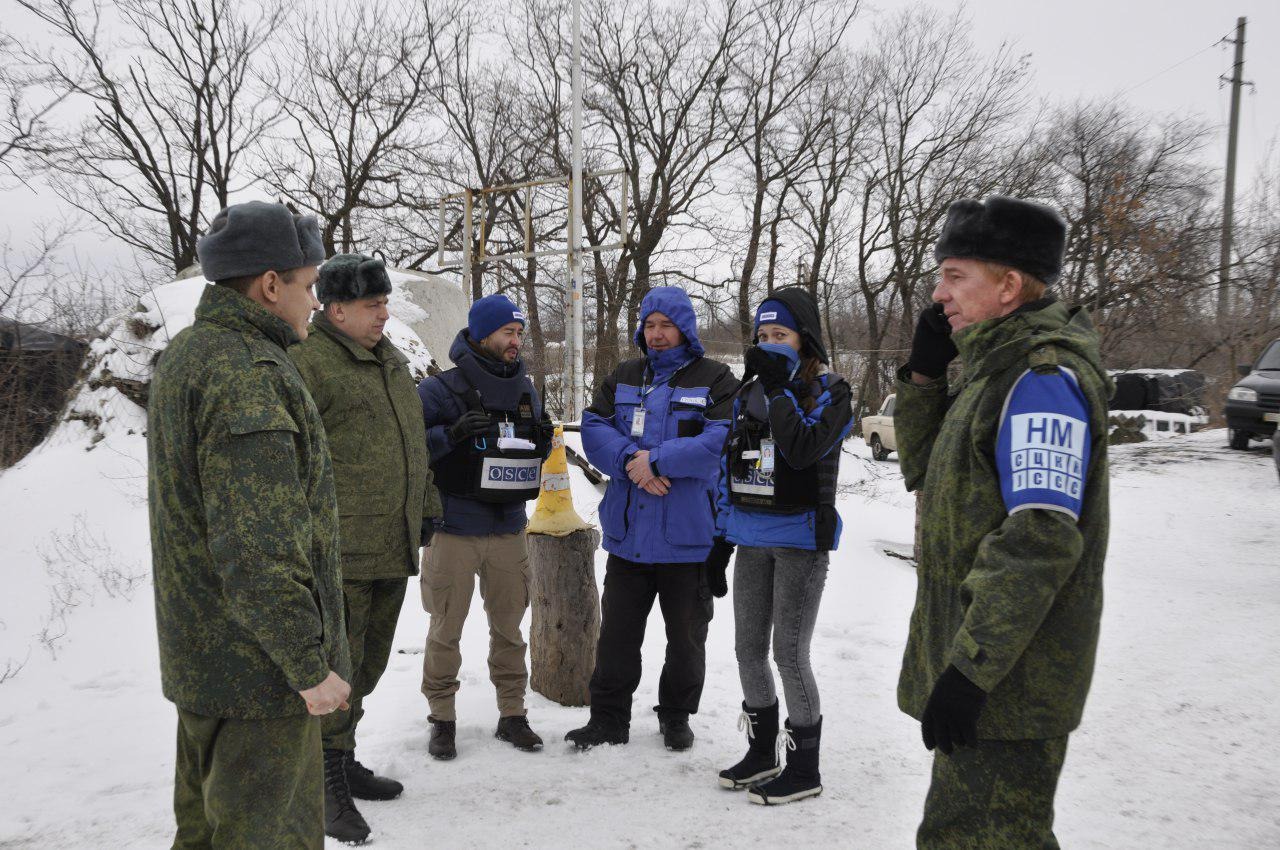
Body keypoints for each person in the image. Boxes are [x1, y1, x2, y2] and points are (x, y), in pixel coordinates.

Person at [894, 196, 1111, 849]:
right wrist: (927, 376)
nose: (939, 293)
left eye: (955, 276)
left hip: (1009, 682)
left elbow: (1039, 538)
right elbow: (927, 474)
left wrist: (970, 670)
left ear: (1009, 285)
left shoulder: (1042, 381)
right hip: (990, 676)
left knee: (981, 838)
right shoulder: (993, 371)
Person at [148, 200, 351, 849]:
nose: (315, 301)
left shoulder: (191, 355)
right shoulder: (247, 376)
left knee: (206, 835)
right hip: (258, 684)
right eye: (309, 284)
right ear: (270, 284)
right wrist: (308, 666)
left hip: (207, 669)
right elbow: (258, 547)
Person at [291, 254, 443, 843]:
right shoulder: (311, 364)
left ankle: (342, 759)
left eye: (384, 303)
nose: (384, 314)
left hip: (391, 543)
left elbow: (409, 443)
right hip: (340, 554)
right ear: (336, 310)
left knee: (368, 667)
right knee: (336, 671)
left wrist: (427, 504)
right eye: (372, 305)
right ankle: (323, 781)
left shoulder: (388, 360)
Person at [566, 286, 738, 751]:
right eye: (649, 325)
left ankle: (676, 716)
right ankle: (607, 718)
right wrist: (630, 463)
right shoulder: (625, 375)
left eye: (666, 325)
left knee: (686, 640)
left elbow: (721, 441)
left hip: (688, 539)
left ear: (686, 328)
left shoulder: (716, 378)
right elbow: (594, 426)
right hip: (630, 537)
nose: (657, 334)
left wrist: (657, 461)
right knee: (617, 637)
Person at [707, 286, 853, 804]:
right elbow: (730, 467)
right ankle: (763, 751)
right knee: (748, 651)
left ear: (805, 339)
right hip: (749, 539)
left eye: (781, 335)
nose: (770, 344)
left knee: (788, 655)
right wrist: (718, 543)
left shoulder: (833, 392)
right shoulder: (749, 392)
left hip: (800, 543)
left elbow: (800, 448)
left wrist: (779, 388)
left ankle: (804, 766)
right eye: (763, 336)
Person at [416, 293, 554, 759]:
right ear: (481, 334)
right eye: (507, 333)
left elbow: (536, 443)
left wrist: (541, 434)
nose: (516, 341)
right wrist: (450, 435)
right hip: (454, 528)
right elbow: (408, 446)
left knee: (511, 629)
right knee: (444, 630)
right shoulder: (440, 389)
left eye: (519, 333)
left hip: (509, 527)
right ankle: (442, 718)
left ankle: (513, 714)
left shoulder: (526, 389)